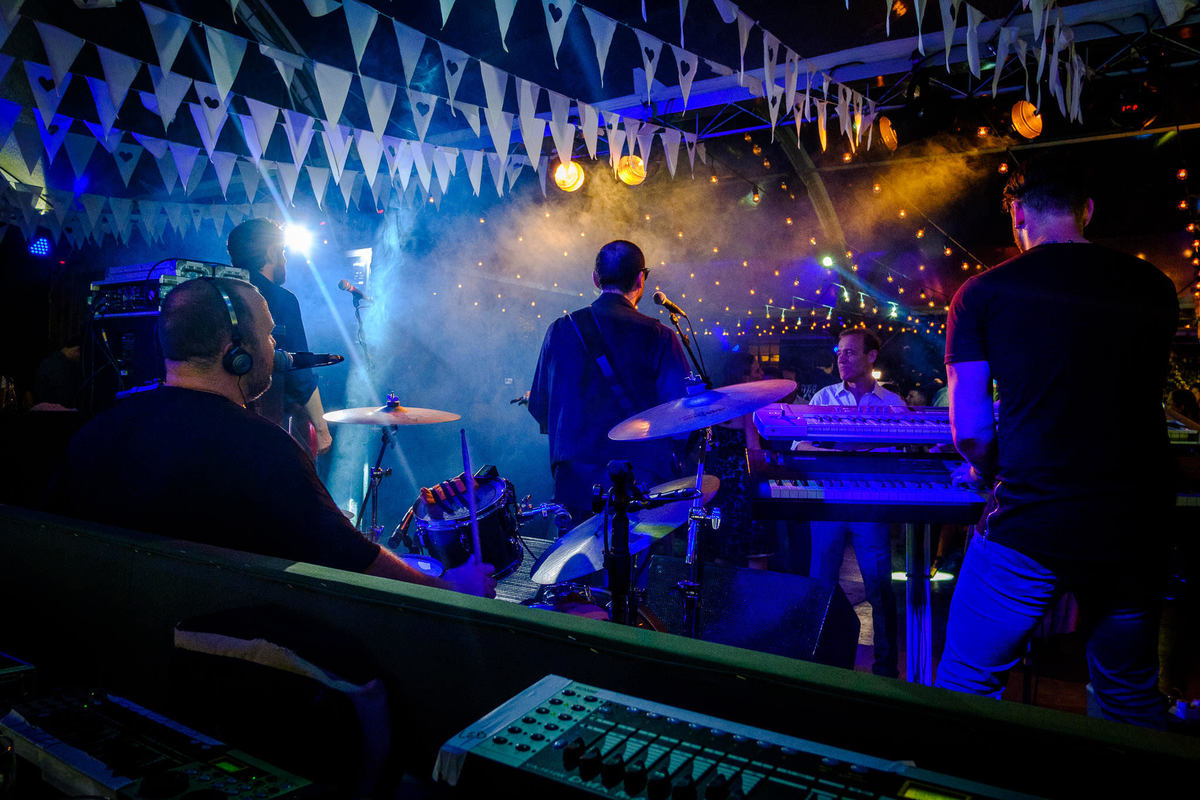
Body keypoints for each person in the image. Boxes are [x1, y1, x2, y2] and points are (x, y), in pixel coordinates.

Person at [47, 277, 494, 597]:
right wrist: (449, 587)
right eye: (267, 334)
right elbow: (355, 562)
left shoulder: (95, 434)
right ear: (236, 352)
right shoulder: (264, 450)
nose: (275, 350)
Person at [935, 157, 1177, 728]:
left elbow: (969, 429)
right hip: (1134, 524)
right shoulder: (1154, 285)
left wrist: (993, 472)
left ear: (1017, 215)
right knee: (1129, 694)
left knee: (965, 686)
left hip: (1033, 520)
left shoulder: (982, 293)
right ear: (1086, 210)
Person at [528, 240, 690, 523]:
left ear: (595, 278)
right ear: (641, 279)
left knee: (576, 566)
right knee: (632, 564)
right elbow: (681, 415)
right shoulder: (659, 335)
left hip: (574, 486)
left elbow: (539, 406)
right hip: (638, 484)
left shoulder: (559, 329)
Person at [807, 328, 906, 677]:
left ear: (871, 357)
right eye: (839, 353)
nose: (841, 358)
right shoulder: (823, 397)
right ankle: (822, 662)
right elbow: (798, 446)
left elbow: (903, 455)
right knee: (822, 583)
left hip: (871, 502)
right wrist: (840, 451)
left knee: (880, 587)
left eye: (850, 352)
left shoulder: (893, 404)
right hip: (828, 500)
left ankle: (886, 668)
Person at [227, 218, 332, 458]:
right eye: (282, 252)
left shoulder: (220, 295)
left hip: (229, 424)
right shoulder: (282, 299)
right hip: (278, 425)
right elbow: (300, 372)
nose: (284, 259)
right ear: (272, 252)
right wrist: (322, 429)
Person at [707, 352, 775, 569]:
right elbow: (753, 447)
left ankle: (721, 597)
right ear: (744, 376)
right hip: (742, 477)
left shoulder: (717, 400)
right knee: (755, 549)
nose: (762, 374)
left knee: (723, 542)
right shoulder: (749, 403)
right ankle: (756, 598)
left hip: (718, 477)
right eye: (757, 370)